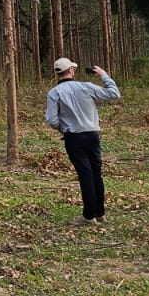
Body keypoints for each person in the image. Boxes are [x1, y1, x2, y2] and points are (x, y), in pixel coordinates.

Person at [44, 58, 121, 222]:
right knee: (96, 174)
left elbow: (51, 119)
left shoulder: (54, 93)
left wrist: (63, 127)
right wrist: (103, 75)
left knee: (85, 174)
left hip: (73, 137)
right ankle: (100, 213)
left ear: (58, 73)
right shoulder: (87, 87)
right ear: (71, 71)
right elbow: (114, 93)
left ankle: (89, 215)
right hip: (92, 135)